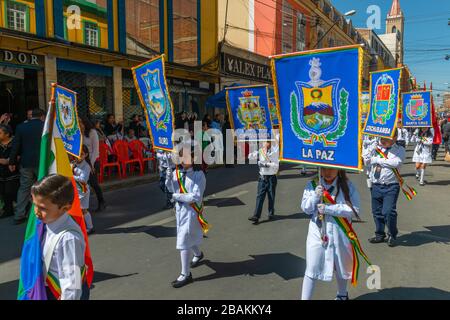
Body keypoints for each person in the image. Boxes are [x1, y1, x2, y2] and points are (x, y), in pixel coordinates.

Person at [300, 168, 362, 300]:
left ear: (338, 169)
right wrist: (315, 196)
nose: (327, 172)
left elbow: (354, 210)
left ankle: (342, 294)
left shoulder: (347, 186)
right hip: (317, 232)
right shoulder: (312, 185)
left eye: (331, 169)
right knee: (311, 267)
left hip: (340, 231)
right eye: (324, 169)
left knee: (341, 264)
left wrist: (329, 209)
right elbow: (306, 208)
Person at [31, 174, 90, 300]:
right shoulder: (47, 222)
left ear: (65, 208)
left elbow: (72, 286)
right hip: (47, 287)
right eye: (34, 204)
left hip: (59, 293)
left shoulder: (68, 239)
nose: (36, 211)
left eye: (42, 208)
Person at [165, 142, 208, 288]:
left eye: (185, 157)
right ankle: (198, 254)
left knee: (183, 240)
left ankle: (186, 274)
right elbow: (171, 189)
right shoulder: (177, 172)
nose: (182, 160)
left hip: (192, 212)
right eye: (180, 157)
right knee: (190, 237)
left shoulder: (199, 175)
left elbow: (195, 197)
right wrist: (168, 178)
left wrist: (176, 196)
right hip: (180, 211)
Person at [363, 132, 405, 246]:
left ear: (394, 138)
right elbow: (366, 161)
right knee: (376, 211)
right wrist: (370, 149)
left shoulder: (399, 149)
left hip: (391, 186)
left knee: (388, 211)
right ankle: (379, 234)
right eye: (381, 137)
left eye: (386, 138)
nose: (382, 140)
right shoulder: (375, 148)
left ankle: (392, 233)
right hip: (376, 184)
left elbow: (396, 162)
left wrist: (377, 160)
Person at [9, 108, 45, 225]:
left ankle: (19, 214)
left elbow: (16, 146)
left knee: (24, 188)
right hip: (42, 162)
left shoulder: (21, 127)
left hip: (26, 162)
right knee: (43, 187)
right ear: (42, 116)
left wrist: (12, 162)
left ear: (31, 116)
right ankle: (42, 212)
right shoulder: (45, 126)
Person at [247, 140, 279, 225]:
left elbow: (276, 166)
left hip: (271, 177)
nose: (265, 143)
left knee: (271, 196)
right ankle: (256, 216)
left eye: (267, 142)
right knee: (259, 197)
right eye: (264, 142)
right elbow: (250, 157)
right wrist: (254, 152)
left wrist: (266, 164)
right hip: (262, 177)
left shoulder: (274, 152)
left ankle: (271, 213)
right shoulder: (260, 151)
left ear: (270, 143)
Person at [80, 117, 106, 213]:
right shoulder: (79, 133)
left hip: (93, 161)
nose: (79, 124)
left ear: (85, 123)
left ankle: (101, 202)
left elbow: (95, 150)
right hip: (82, 161)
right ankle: (83, 206)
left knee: (94, 183)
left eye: (80, 122)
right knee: (82, 184)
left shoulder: (92, 132)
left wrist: (91, 165)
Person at [70, 146, 94, 234]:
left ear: (86, 155)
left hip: (82, 190)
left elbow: (83, 179)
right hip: (76, 189)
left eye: (81, 154)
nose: (78, 156)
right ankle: (89, 227)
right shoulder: (73, 163)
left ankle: (84, 227)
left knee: (77, 209)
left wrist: (71, 176)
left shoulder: (86, 166)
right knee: (83, 210)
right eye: (77, 154)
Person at [0, 125, 20, 218]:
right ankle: (8, 210)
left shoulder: (15, 142)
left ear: (7, 134)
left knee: (11, 191)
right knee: (3, 192)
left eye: (0, 133)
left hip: (13, 170)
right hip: (1, 171)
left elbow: (20, 153)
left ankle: (24, 206)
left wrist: (10, 160)